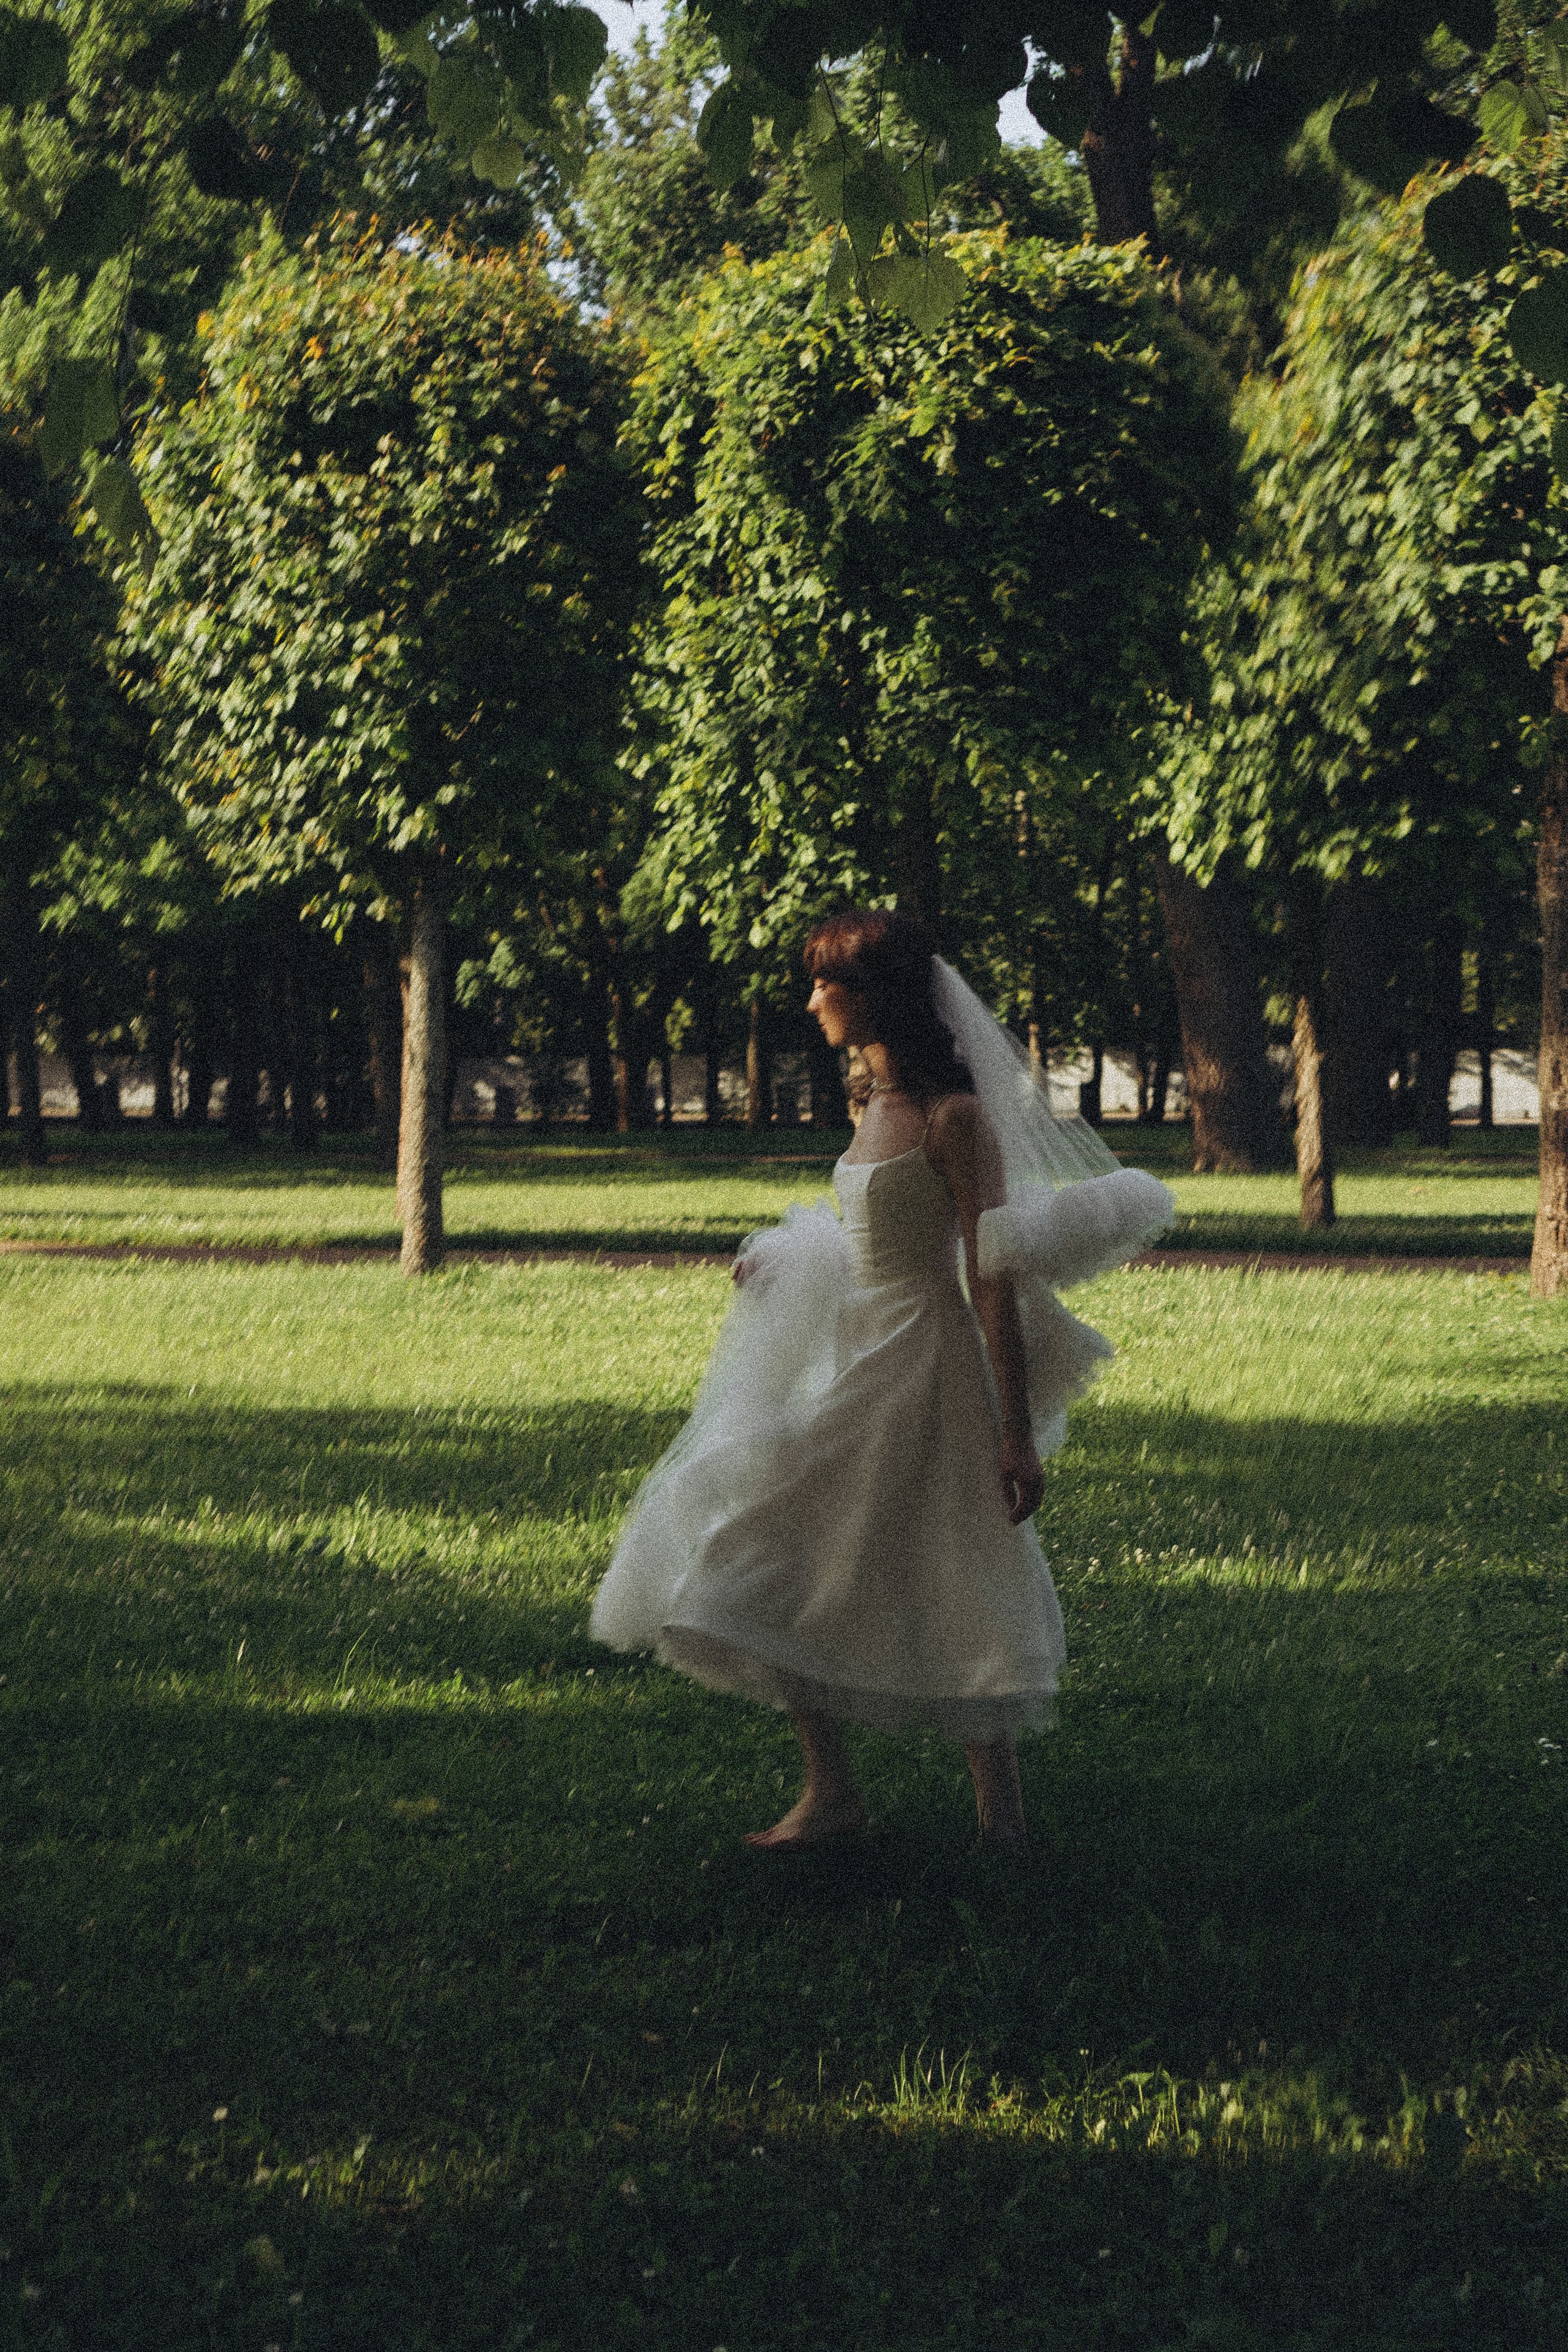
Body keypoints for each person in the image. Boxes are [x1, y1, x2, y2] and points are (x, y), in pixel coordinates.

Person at [590, 910, 1173, 1852]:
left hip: (923, 1362)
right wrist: (788, 1259)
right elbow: (869, 1232)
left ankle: (1002, 1821)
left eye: (829, 982)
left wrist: (1013, 1431)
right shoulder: (871, 1105)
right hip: (855, 1344)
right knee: (772, 1538)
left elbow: (991, 1274)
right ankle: (832, 1794)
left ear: (877, 997)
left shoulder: (956, 1119)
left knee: (952, 1561)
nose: (812, 998)